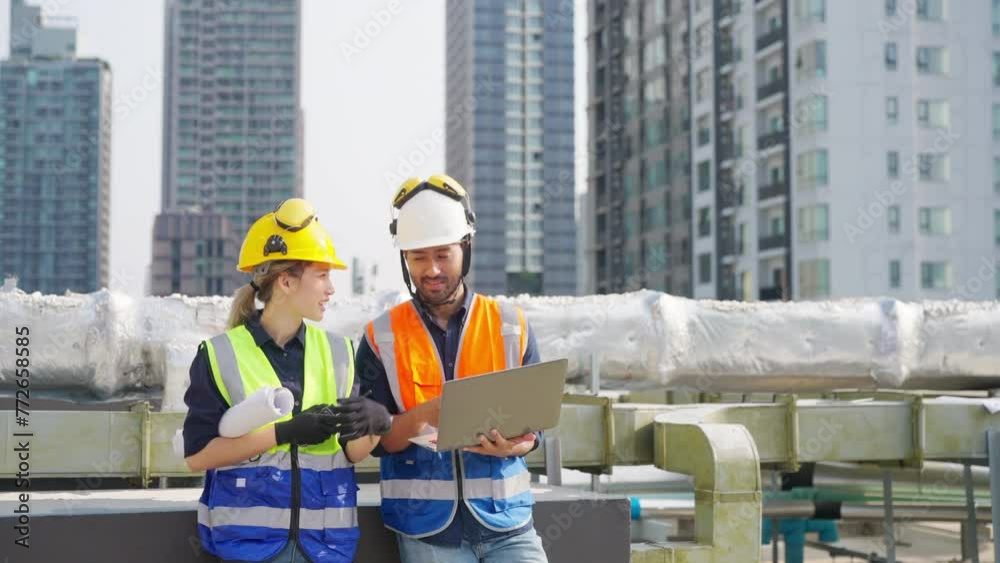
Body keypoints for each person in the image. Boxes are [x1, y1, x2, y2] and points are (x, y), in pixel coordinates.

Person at [182, 198, 393, 563]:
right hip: (247, 548)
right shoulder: (219, 355)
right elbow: (198, 456)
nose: (331, 289)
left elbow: (352, 451)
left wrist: (379, 422)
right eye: (322, 275)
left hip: (325, 548)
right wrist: (285, 432)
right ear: (286, 281)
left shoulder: (340, 353)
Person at [354, 175, 549, 563]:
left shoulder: (511, 324)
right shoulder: (381, 337)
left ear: (466, 248)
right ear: (404, 258)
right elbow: (380, 443)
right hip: (428, 532)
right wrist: (423, 417)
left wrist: (515, 445)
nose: (431, 270)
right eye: (418, 257)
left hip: (508, 524)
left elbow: (535, 430)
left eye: (443, 254)